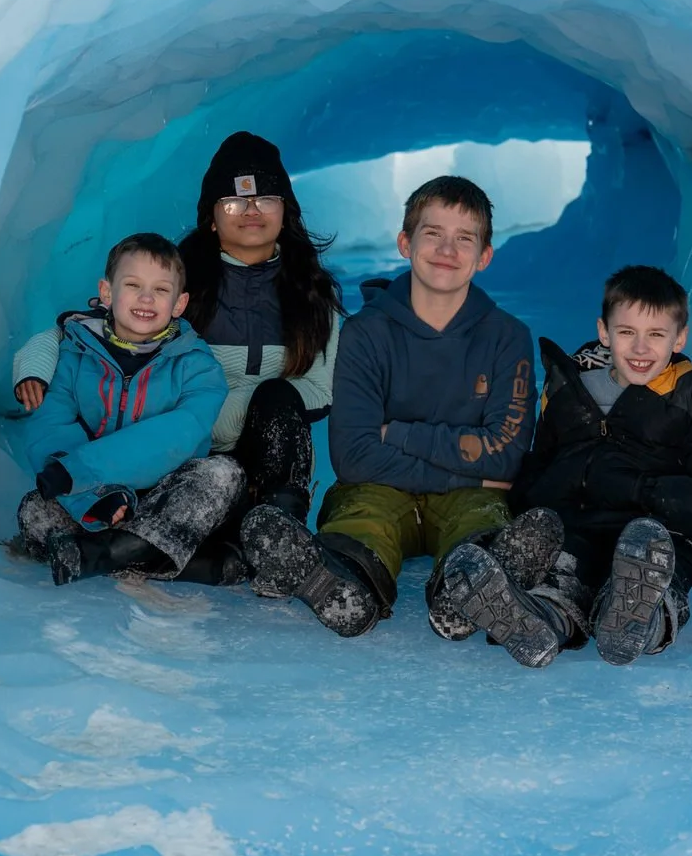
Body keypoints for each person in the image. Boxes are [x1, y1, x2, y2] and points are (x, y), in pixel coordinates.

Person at [12, 132, 343, 584]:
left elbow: (320, 391)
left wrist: (217, 411)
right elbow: (75, 333)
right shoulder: (176, 283)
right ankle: (191, 556)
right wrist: (32, 369)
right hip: (160, 453)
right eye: (233, 202)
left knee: (276, 400)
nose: (250, 211)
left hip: (242, 460)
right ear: (210, 218)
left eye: (266, 198)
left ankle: (275, 528)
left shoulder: (312, 295)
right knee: (38, 511)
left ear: (285, 210)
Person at [241, 176, 562, 638]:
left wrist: (400, 434)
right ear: (405, 243)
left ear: (484, 256)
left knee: (481, 521)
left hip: (470, 495)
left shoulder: (505, 336)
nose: (447, 250)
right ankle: (345, 585)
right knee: (363, 519)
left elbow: (508, 456)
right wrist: (465, 466)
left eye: (464, 239)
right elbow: (353, 456)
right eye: (433, 234)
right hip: (380, 487)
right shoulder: (366, 334)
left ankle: (466, 592)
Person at [437, 264, 692, 667]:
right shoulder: (570, 388)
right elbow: (534, 474)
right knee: (562, 576)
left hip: (658, 536)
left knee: (654, 576)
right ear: (605, 332)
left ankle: (640, 623)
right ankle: (537, 622)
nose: (640, 349)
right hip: (579, 529)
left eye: (656, 335)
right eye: (627, 333)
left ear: (679, 338)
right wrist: (563, 484)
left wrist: (638, 487)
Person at [13, 232, 233, 586]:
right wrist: (91, 498)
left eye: (161, 290)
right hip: (97, 497)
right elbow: (49, 427)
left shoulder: (199, 366)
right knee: (35, 511)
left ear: (179, 304)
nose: (147, 298)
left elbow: (179, 433)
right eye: (133, 285)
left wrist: (80, 472)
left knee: (221, 475)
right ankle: (158, 556)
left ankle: (106, 553)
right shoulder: (74, 356)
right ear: (107, 292)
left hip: (162, 494)